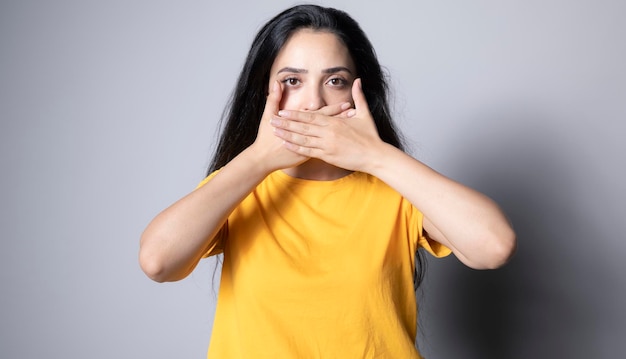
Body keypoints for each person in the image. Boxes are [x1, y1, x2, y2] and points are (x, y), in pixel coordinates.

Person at [139, 4, 516, 358]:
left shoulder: (396, 188)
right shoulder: (240, 186)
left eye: (335, 80)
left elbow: (494, 246)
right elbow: (158, 261)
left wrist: (375, 155)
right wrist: (257, 158)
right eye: (292, 80)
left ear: (359, 94)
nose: (313, 102)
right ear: (264, 93)